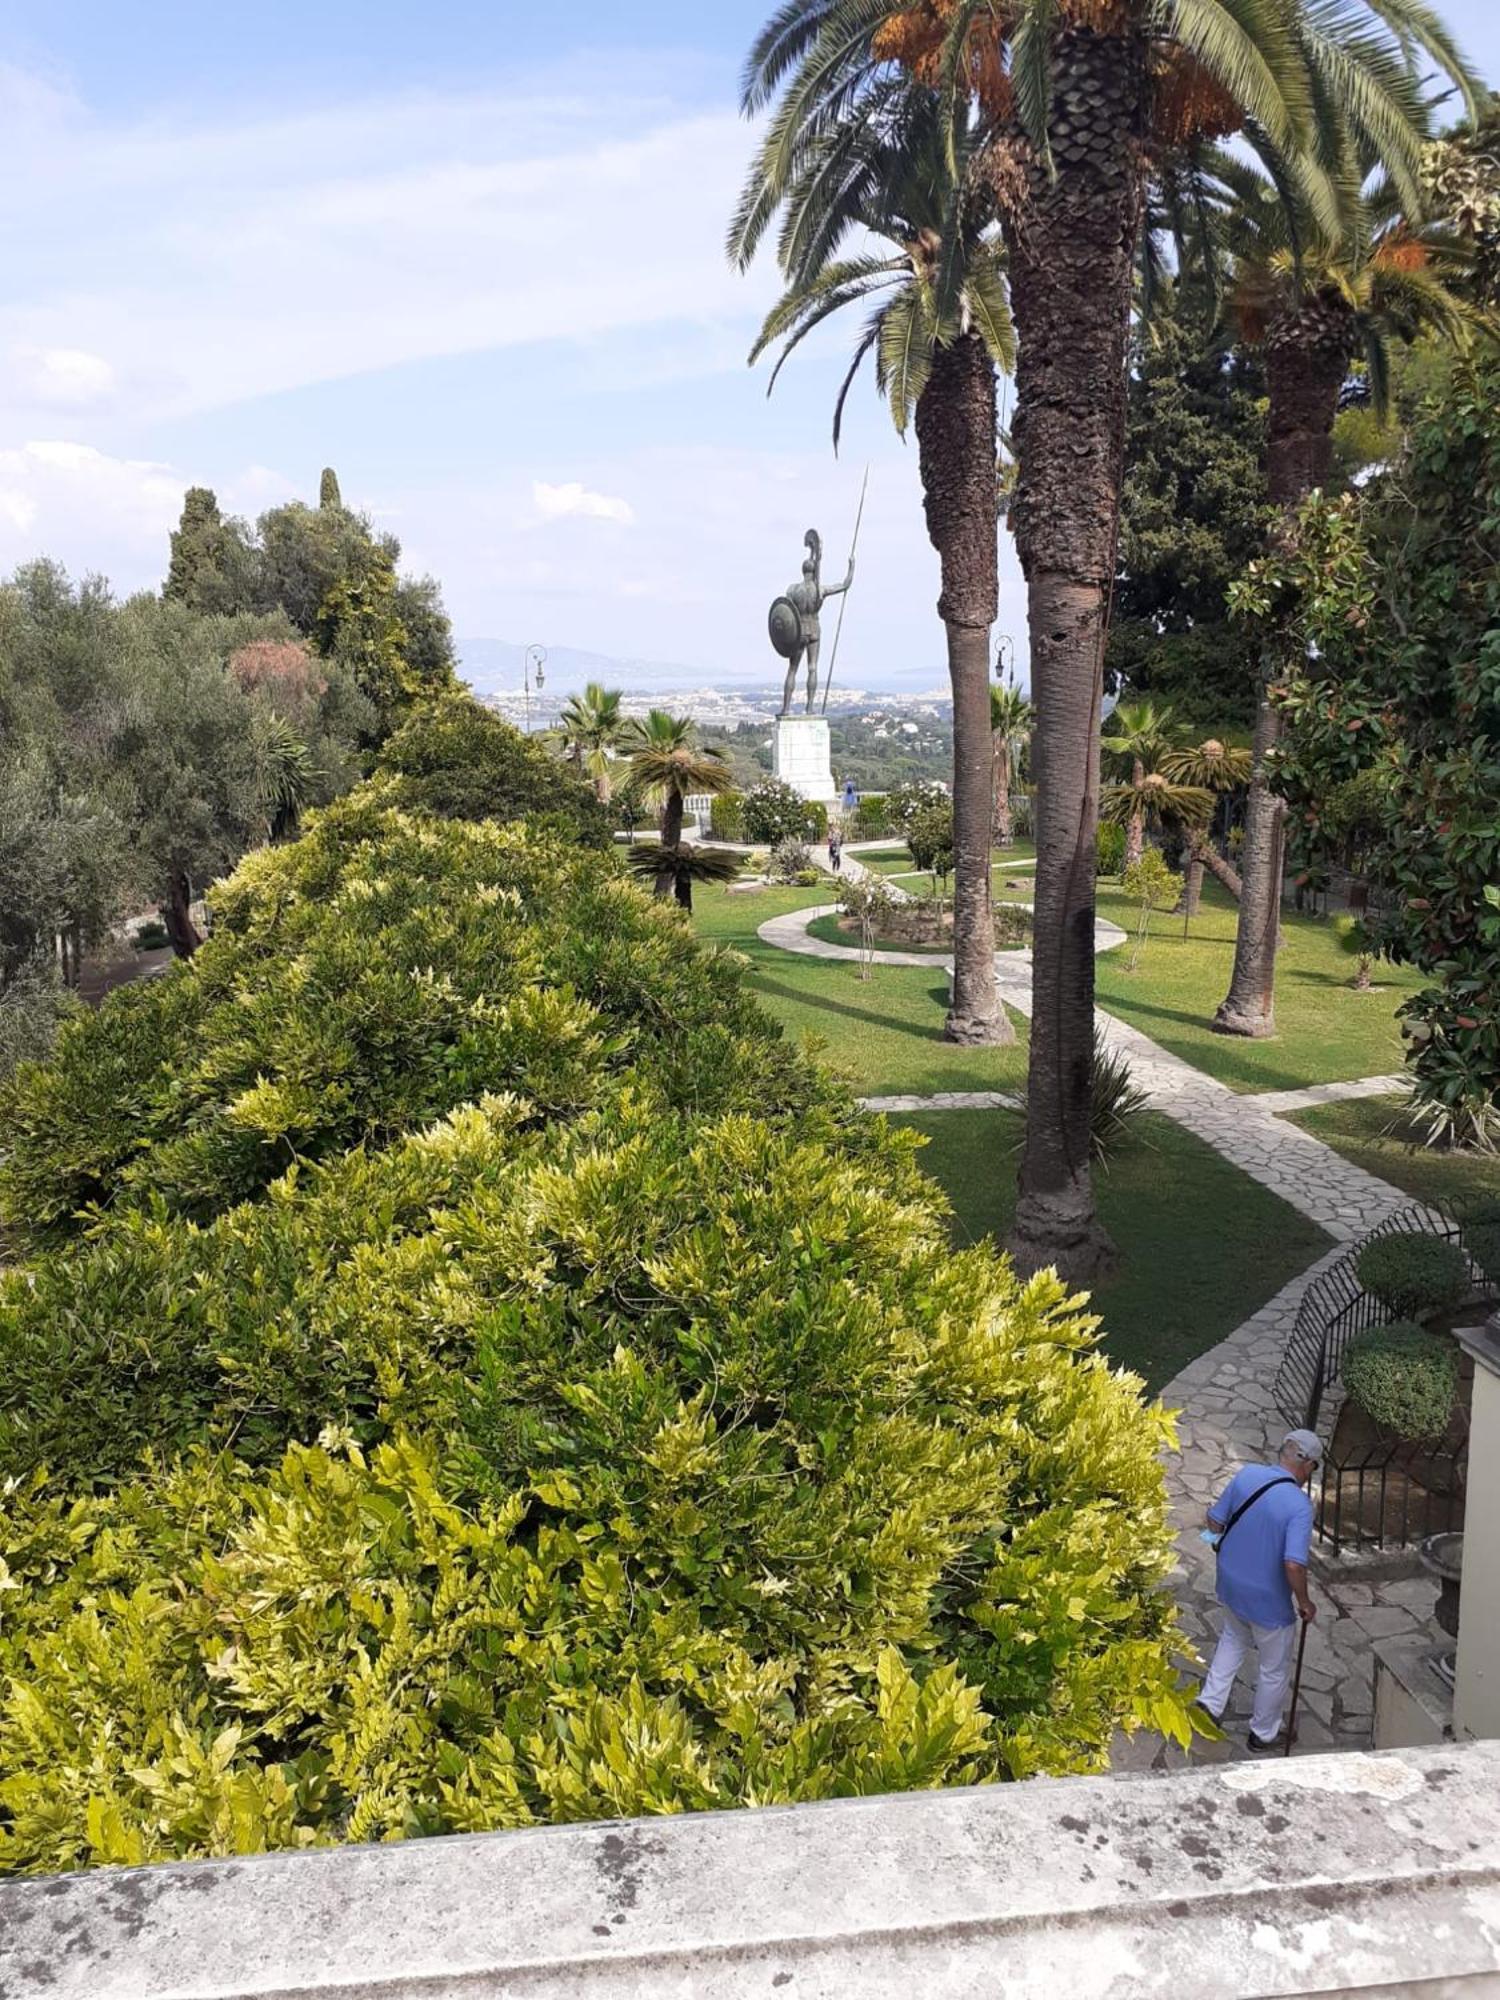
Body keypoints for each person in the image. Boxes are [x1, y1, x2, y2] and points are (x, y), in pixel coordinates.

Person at [1198, 1428, 1320, 1751]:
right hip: (1268, 1602)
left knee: (1233, 1637)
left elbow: (1213, 1521)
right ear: (1306, 1464)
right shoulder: (1299, 1506)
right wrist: (1305, 1601)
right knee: (1273, 1668)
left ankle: (1210, 1704)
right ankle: (1263, 1733)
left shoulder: (1248, 1474)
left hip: (1230, 1584)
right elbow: (1293, 1564)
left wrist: (1215, 1546)